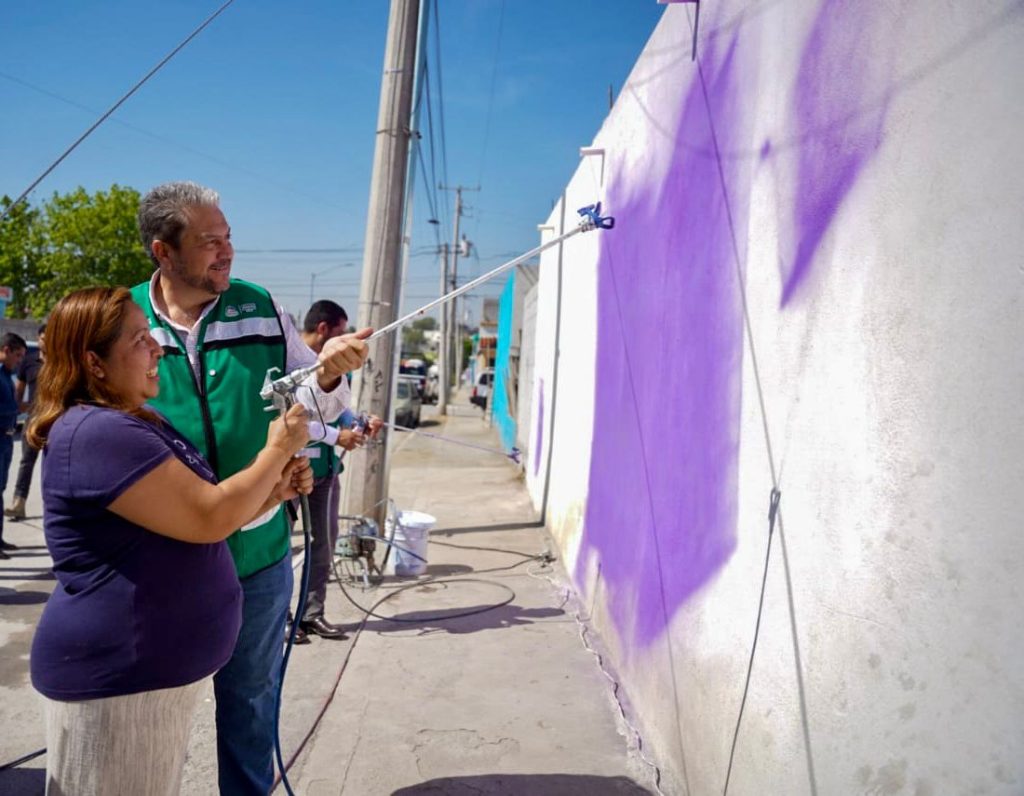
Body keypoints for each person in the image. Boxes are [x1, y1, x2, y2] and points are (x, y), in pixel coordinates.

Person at [131, 181, 369, 795]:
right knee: (152, 715)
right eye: (209, 241)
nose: (227, 251)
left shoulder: (261, 308)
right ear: (163, 251)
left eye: (228, 237)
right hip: (165, 562)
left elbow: (310, 403)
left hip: (258, 557)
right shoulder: (125, 319)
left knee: (251, 704)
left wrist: (331, 377)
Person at [28, 286, 314, 796]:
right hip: (120, 683)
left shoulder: (134, 421)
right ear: (94, 362)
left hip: (144, 682)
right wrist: (277, 450)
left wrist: (272, 494)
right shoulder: (99, 432)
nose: (157, 349)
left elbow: (189, 519)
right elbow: (209, 515)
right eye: (140, 340)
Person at [292, 300, 381, 642]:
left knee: (324, 544)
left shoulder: (334, 367)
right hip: (290, 471)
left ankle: (311, 614)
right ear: (323, 329)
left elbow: (337, 411)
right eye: (341, 332)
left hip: (325, 471)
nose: (345, 340)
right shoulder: (291, 360)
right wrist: (335, 436)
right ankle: (282, 619)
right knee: (279, 549)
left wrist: (359, 422)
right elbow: (293, 418)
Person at [5, 323, 45, 521]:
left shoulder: (62, 361)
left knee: (52, 464)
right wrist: (19, 405)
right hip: (33, 420)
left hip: (56, 420)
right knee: (26, 462)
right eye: (44, 338)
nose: (47, 342)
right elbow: (19, 388)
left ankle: (54, 505)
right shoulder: (29, 361)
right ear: (39, 339)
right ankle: (18, 504)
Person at [0, 332, 27, 558]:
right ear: (5, 350)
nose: (19, 361)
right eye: (17, 355)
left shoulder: (7, 375)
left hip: (7, 439)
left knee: (1, 490)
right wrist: (18, 408)